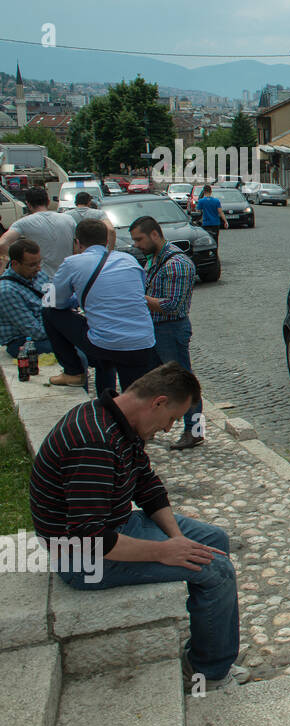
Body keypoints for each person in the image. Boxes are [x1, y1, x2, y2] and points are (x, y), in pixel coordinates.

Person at [29, 362, 247, 690]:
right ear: (157, 402)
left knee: (214, 539)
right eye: (172, 419)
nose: (169, 428)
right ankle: (207, 673)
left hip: (115, 526)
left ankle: (207, 645)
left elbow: (147, 486)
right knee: (216, 570)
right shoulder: (95, 442)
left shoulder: (116, 419)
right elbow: (89, 538)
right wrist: (164, 551)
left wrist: (177, 541)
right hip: (80, 559)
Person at [43, 218, 157, 395]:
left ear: (77, 243)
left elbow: (52, 301)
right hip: (142, 342)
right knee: (134, 394)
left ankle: (74, 372)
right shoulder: (129, 259)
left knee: (48, 312)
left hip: (104, 345)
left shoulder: (72, 263)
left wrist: (76, 299)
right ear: (106, 241)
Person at [130, 215, 203, 450]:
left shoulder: (177, 264)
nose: (136, 245)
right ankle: (149, 426)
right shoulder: (152, 259)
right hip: (153, 328)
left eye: (139, 239)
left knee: (185, 383)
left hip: (170, 329)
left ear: (154, 234)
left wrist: (135, 297)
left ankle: (196, 431)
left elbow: (171, 305)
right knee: (152, 381)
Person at [0, 187, 77, 277]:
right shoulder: (69, 219)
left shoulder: (23, 223)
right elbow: (76, 248)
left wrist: (14, 260)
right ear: (48, 201)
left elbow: (2, 243)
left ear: (28, 204)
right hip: (66, 275)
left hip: (40, 277)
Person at [0, 237, 54, 359]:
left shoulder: (38, 274)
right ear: (15, 264)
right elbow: (36, 332)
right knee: (73, 347)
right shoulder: (7, 291)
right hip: (23, 341)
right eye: (32, 265)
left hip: (50, 326)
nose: (38, 268)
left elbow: (53, 300)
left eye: (39, 262)